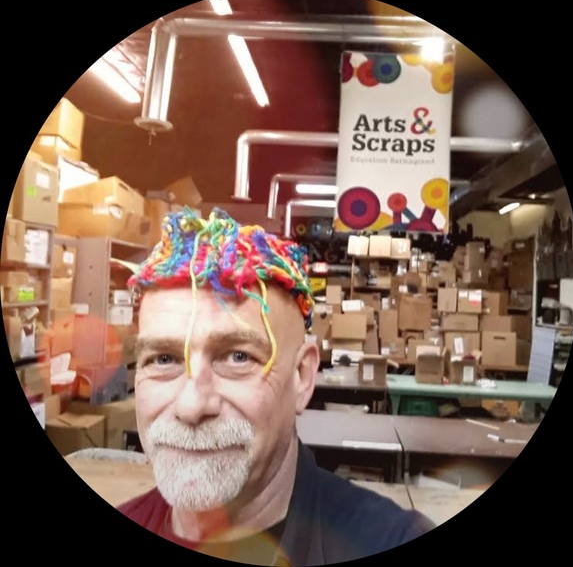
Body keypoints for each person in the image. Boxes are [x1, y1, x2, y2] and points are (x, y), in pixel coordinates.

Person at [117, 207, 435, 565]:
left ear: (302, 376)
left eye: (238, 357)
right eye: (163, 359)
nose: (191, 406)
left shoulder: (387, 540)